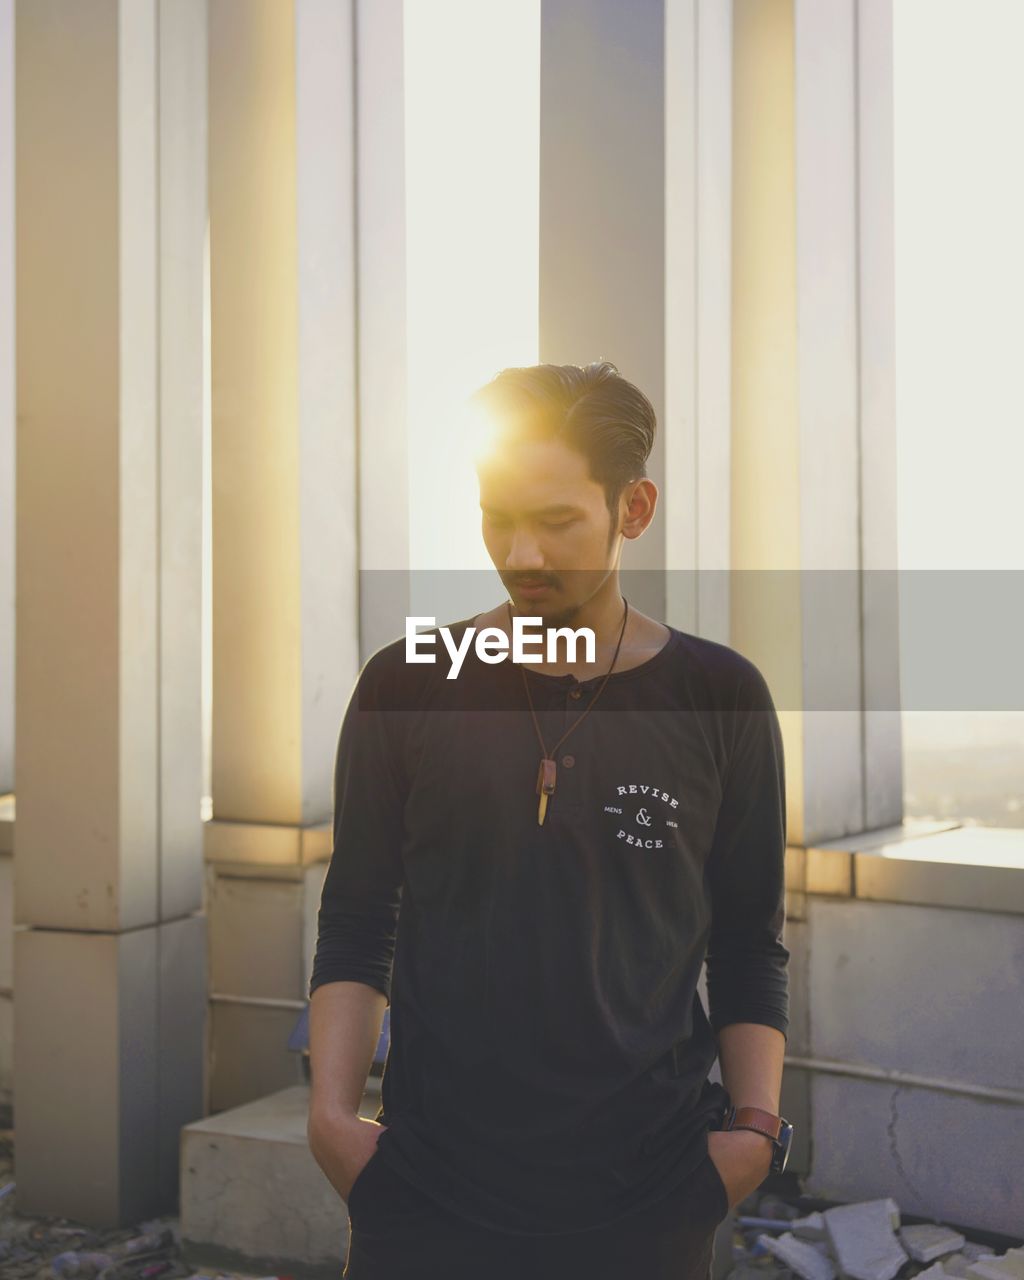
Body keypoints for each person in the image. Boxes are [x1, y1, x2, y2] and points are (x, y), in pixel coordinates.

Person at [306, 361, 791, 1279]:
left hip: (647, 1198)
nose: (522, 554)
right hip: (426, 1193)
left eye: (558, 521)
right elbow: (359, 916)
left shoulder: (719, 697)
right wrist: (333, 1121)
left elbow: (748, 941)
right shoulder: (406, 684)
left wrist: (756, 1133)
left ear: (632, 510)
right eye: (499, 518)